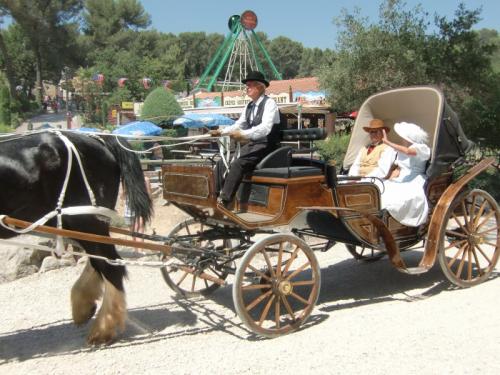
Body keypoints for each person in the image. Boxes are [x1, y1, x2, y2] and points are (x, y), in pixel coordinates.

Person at [210, 71, 280, 208]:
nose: (246, 88)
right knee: (222, 162)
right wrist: (221, 132)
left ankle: (225, 200)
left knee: (237, 163)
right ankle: (213, 193)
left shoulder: (270, 103)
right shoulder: (249, 106)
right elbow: (238, 124)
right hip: (253, 144)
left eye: (249, 85)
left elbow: (265, 128)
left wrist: (243, 135)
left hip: (267, 145)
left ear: (259, 87)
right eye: (246, 86)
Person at [380, 122, 431, 227]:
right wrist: (387, 179)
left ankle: (398, 223)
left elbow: (408, 152)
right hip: (402, 178)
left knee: (404, 197)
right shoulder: (403, 148)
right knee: (383, 190)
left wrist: (388, 142)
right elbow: (399, 168)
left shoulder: (422, 148)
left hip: (415, 178)